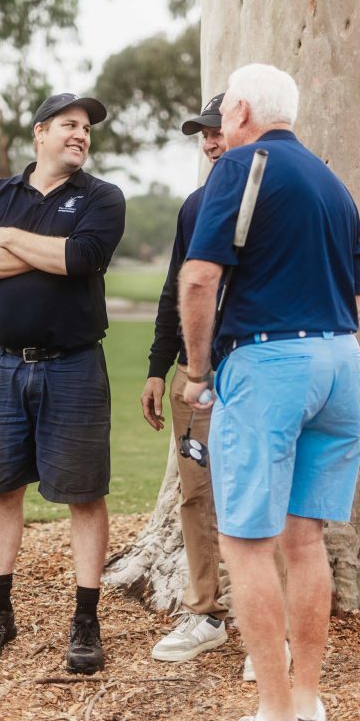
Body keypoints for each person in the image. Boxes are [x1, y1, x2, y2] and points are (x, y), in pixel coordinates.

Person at [179, 64, 360, 721]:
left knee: (246, 542)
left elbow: (200, 277)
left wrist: (199, 373)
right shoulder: (332, 182)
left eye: (225, 112)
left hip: (269, 361)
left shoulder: (239, 165)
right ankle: (306, 705)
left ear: (241, 111)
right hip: (340, 361)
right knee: (304, 539)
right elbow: (355, 292)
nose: (220, 126)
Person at [0, 92, 125, 675]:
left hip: (73, 365)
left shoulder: (102, 196)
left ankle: (86, 619)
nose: (80, 135)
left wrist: (7, 237)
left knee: (84, 493)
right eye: (68, 125)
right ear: (40, 133)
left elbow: (82, 258)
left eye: (86, 129)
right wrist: (46, 250)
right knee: (2, 488)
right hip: (2, 365)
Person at [140, 94, 230, 663]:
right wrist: (158, 367)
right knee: (196, 494)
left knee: (262, 494)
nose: (211, 142)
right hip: (193, 377)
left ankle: (270, 623)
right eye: (204, 134)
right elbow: (177, 287)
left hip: (252, 370)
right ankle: (206, 613)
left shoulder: (271, 200)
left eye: (218, 131)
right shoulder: (195, 205)